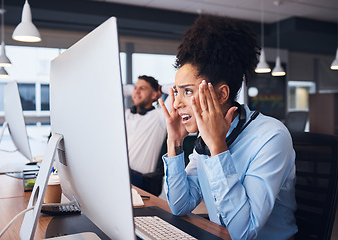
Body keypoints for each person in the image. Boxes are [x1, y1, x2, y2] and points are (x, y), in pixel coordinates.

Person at [158, 15, 297, 240]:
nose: (176, 103)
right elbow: (179, 205)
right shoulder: (205, 138)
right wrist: (174, 142)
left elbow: (242, 232)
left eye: (188, 91)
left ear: (222, 94)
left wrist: (218, 148)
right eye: (176, 91)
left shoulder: (271, 136)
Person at [125, 75, 167, 192]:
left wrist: (161, 89)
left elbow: (176, 89)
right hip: (119, 173)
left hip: (140, 181)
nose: (137, 91)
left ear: (154, 94)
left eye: (142, 88)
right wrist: (133, 89)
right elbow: (113, 91)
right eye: (135, 88)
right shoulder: (126, 114)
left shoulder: (160, 116)